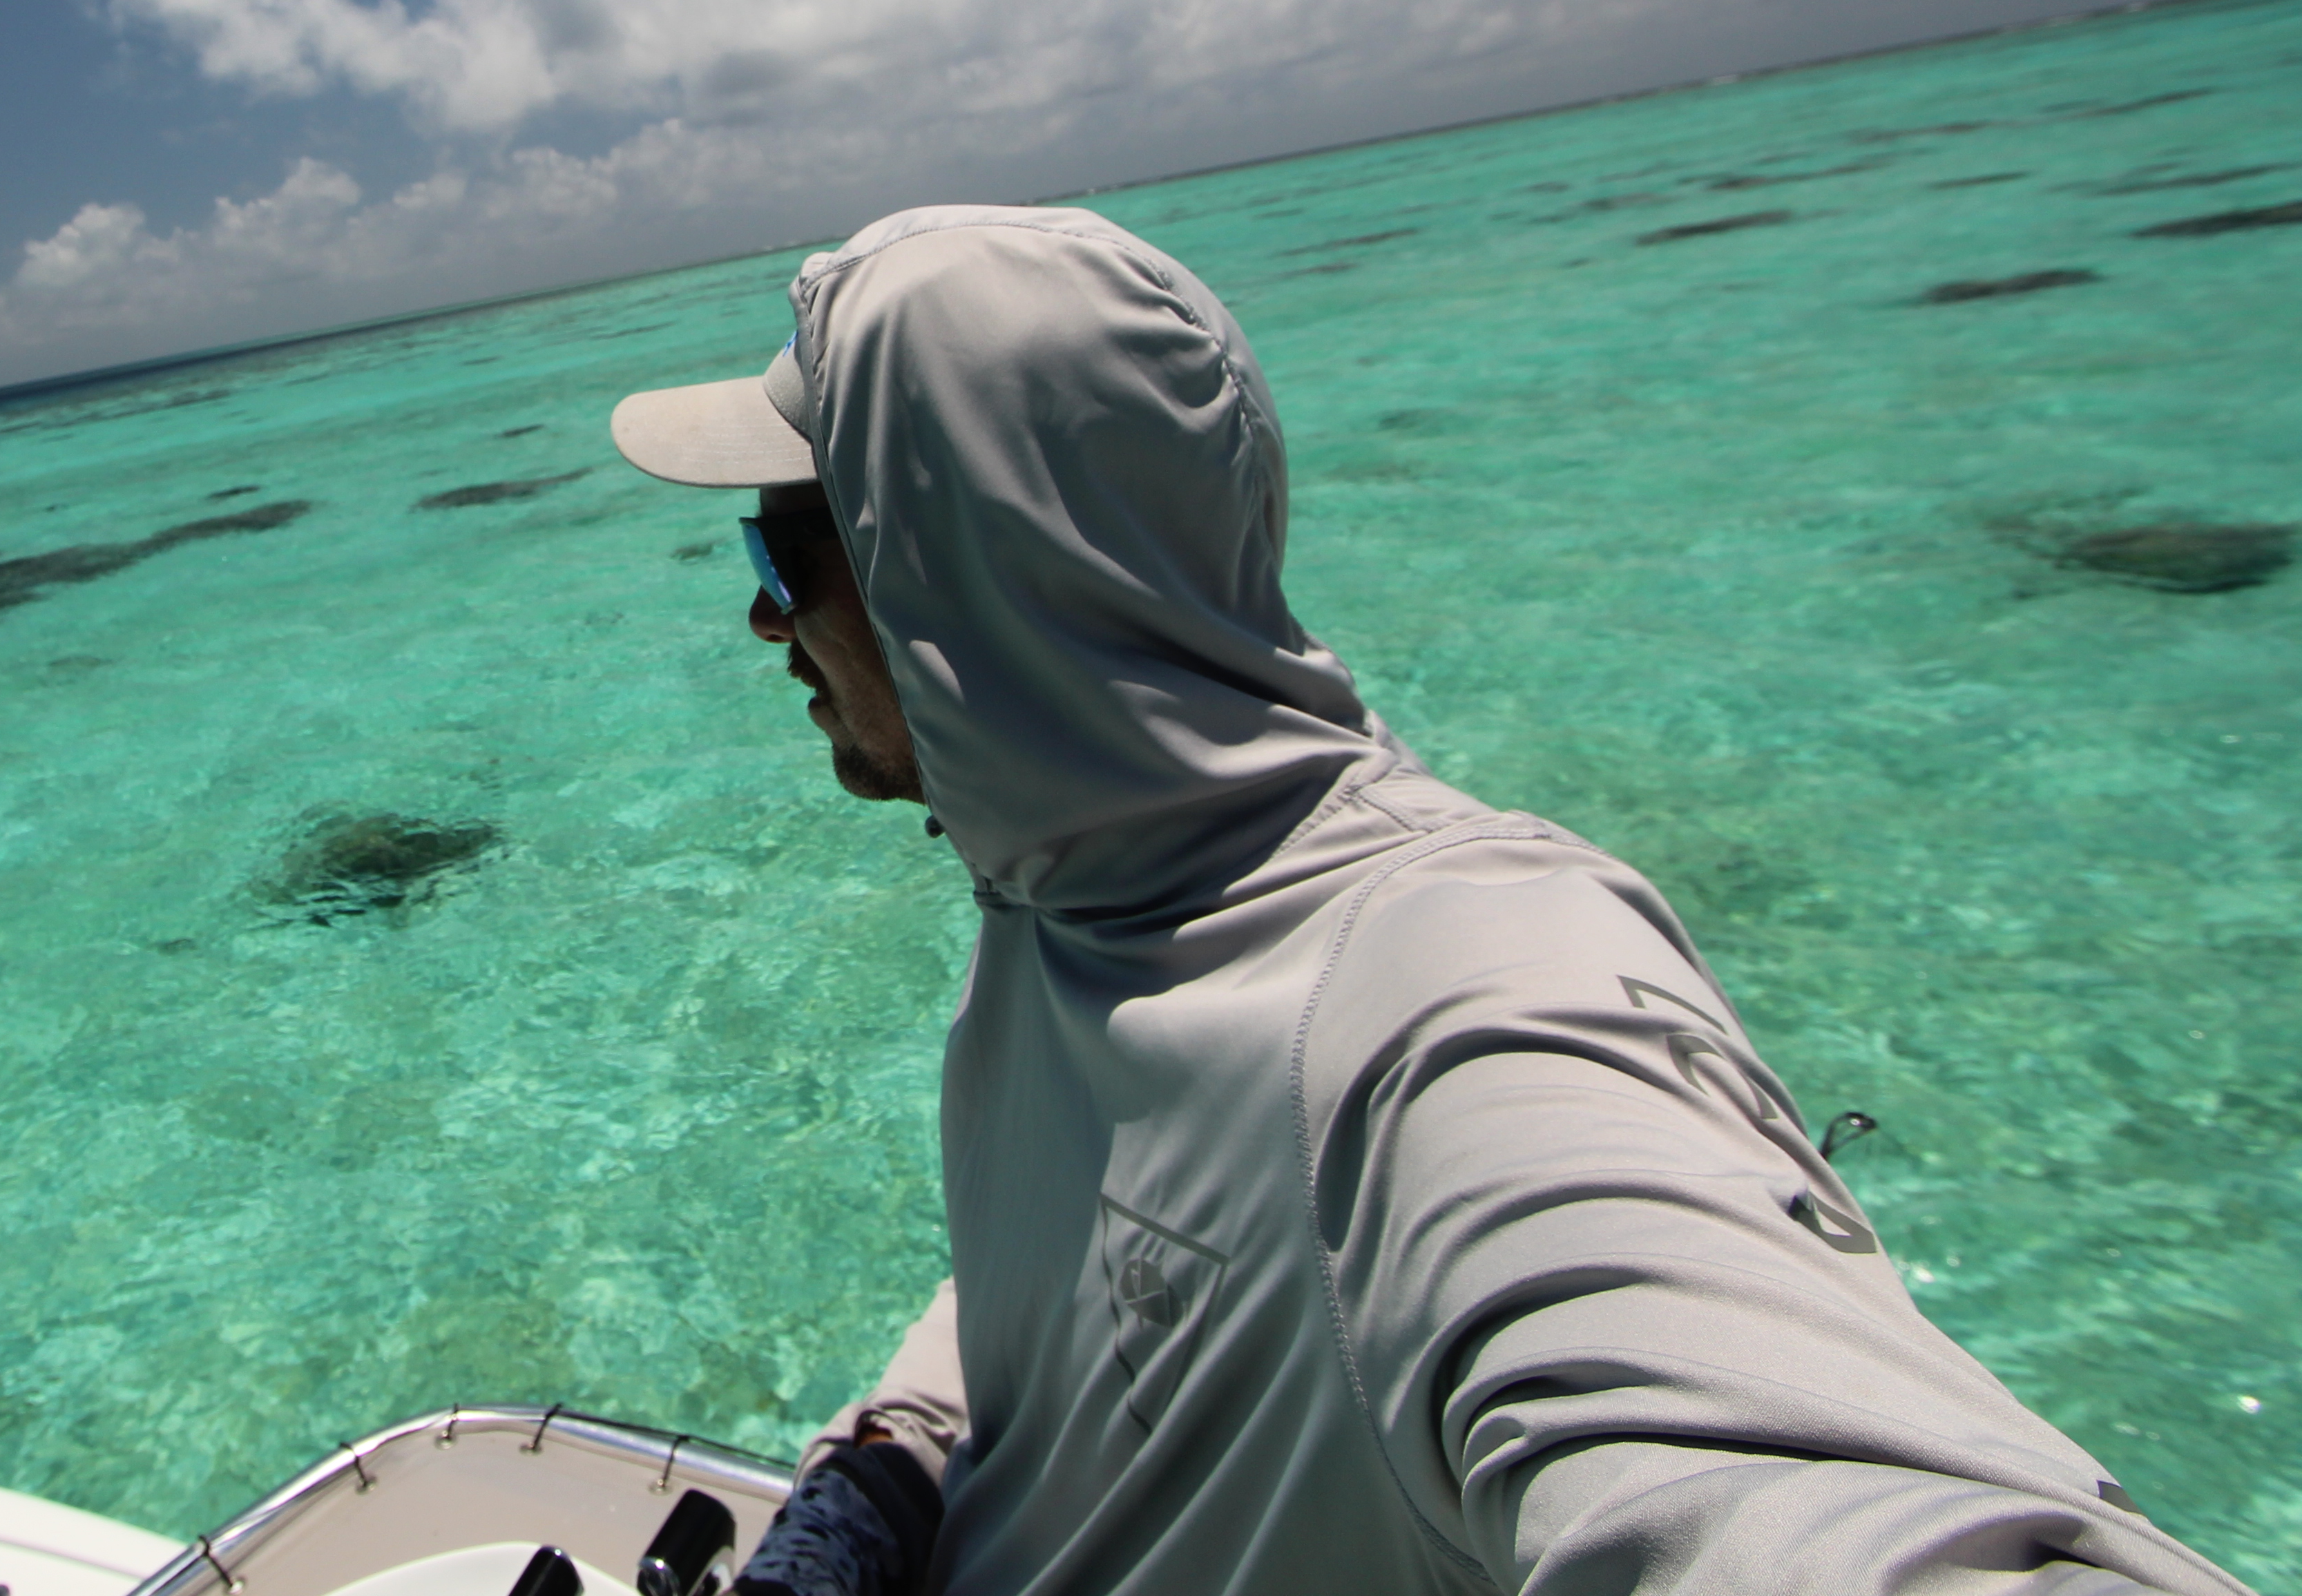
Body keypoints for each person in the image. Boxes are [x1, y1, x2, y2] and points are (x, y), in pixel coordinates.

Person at [607, 205, 2249, 1596]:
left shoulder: (1457, 998)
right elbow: (1086, 1263)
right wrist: (893, 1460)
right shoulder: (1073, 887)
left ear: (949, 577)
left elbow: (1820, 1495)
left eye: (777, 552)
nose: (764, 626)